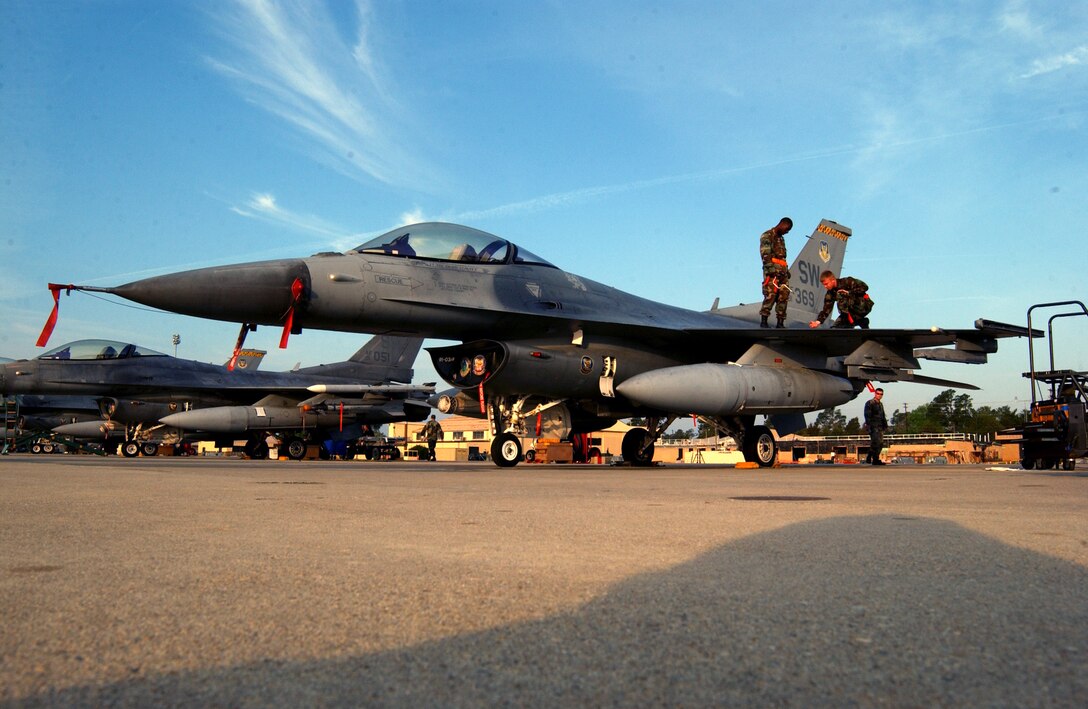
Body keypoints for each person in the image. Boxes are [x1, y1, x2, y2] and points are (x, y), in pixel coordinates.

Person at [758, 217, 793, 328]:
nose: (787, 232)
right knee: (770, 295)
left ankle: (780, 323)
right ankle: (764, 321)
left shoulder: (781, 239)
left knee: (784, 296)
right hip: (772, 272)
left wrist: (786, 271)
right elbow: (765, 253)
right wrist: (770, 269)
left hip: (782, 271)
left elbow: (781, 257)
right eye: (787, 229)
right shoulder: (767, 235)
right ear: (782, 225)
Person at [808, 271, 874, 329]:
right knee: (835, 328)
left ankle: (854, 320)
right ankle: (861, 321)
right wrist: (817, 322)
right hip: (850, 313)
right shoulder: (830, 293)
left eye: (826, 284)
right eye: (824, 285)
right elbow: (827, 309)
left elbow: (865, 287)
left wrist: (849, 292)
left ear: (833, 280)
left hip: (863, 306)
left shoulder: (847, 282)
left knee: (842, 297)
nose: (825, 286)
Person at [864, 388, 888, 465]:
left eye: (881, 394)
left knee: (880, 443)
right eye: (878, 394)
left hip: (880, 426)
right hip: (873, 426)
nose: (879, 395)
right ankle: (874, 459)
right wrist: (869, 426)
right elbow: (867, 415)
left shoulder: (880, 404)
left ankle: (872, 457)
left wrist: (885, 425)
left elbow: (883, 415)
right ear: (875, 393)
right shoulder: (870, 403)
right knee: (876, 442)